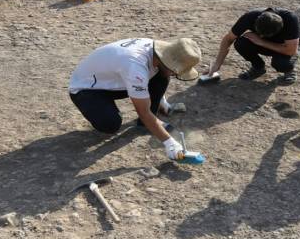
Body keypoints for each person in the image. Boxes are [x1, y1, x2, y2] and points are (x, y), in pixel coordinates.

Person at [69, 37, 201, 160]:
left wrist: (161, 100)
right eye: (175, 70)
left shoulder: (156, 51)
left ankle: (147, 124)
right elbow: (143, 112)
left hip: (113, 79)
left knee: (162, 76)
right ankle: (107, 109)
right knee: (110, 124)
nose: (175, 73)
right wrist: (170, 143)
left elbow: (158, 73)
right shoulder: (135, 68)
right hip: (86, 89)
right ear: (168, 61)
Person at [204, 7, 300, 84]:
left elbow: (291, 50)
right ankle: (258, 68)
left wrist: (261, 41)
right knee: (241, 43)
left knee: (281, 63)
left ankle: (289, 71)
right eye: (259, 33)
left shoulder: (290, 20)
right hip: (265, 42)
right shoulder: (249, 17)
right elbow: (228, 39)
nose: (261, 36)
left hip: (289, 46)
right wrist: (217, 64)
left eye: (265, 35)